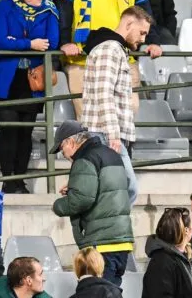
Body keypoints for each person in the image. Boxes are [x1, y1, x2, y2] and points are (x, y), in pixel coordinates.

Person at [50, 120, 135, 287]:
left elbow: (82, 199)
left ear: (70, 142)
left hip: (101, 243)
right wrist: (75, 187)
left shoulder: (85, 159)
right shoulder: (111, 154)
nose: (63, 154)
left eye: (61, 148)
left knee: (97, 295)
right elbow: (112, 187)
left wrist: (57, 206)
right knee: (112, 294)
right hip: (122, 242)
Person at [79, 0, 154, 175]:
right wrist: (113, 134)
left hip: (106, 134)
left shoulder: (114, 48)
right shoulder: (110, 49)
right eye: (142, 32)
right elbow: (104, 94)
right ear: (129, 24)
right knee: (127, 185)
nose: (143, 39)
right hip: (106, 135)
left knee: (115, 186)